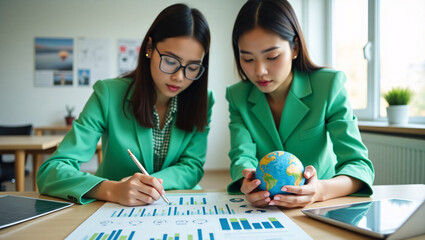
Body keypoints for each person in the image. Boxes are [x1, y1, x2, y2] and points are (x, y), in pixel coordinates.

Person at [37, 3, 214, 206]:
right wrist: (111, 189)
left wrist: (150, 185)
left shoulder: (204, 100)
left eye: (192, 67)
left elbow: (192, 166)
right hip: (113, 208)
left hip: (176, 203)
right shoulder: (109, 94)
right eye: (170, 61)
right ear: (149, 48)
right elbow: (52, 170)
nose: (179, 77)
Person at [226, 0, 374, 208]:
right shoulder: (237, 96)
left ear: (294, 47)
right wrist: (248, 184)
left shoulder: (328, 85)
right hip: (267, 210)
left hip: (322, 208)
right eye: (248, 59)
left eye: (272, 56)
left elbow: (358, 164)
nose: (259, 71)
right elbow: (241, 157)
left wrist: (319, 190)